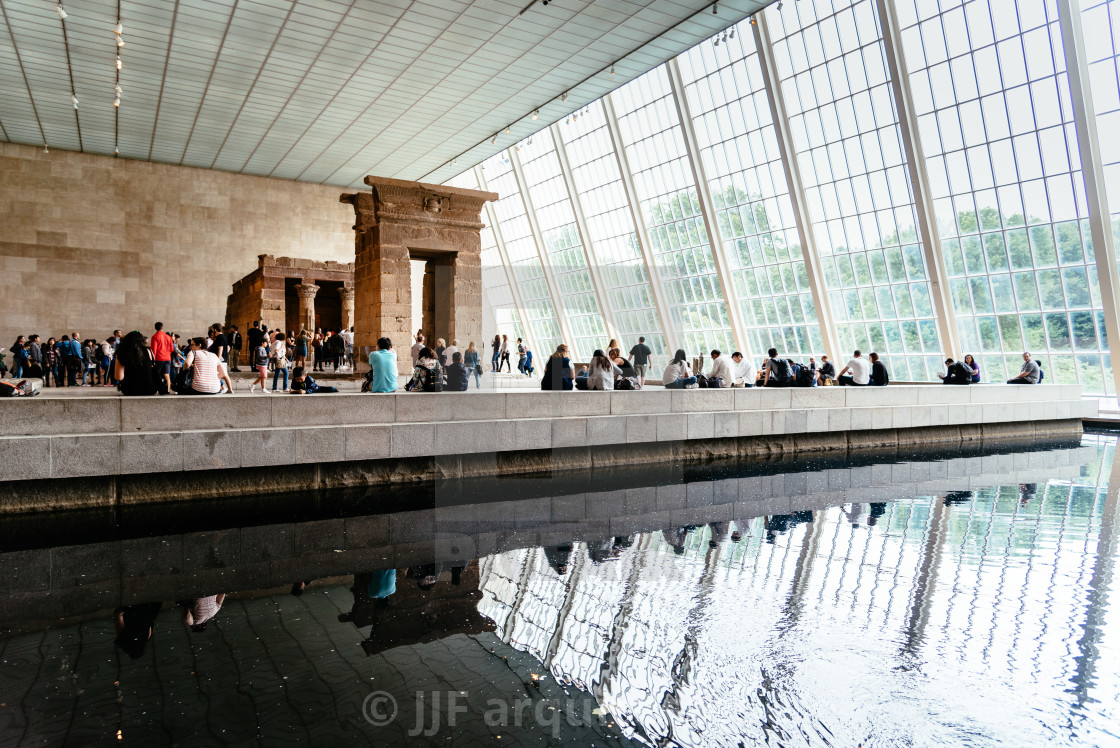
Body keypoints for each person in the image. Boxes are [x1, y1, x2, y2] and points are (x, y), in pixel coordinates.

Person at [113, 330, 158, 396]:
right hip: (150, 390)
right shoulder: (148, 351)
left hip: (129, 390)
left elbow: (119, 377)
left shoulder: (121, 352)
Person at [150, 322, 175, 394]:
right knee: (167, 374)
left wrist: (152, 360)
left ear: (155, 328)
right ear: (162, 327)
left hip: (158, 358)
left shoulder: (155, 337)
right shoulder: (168, 337)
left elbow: (153, 350)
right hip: (167, 358)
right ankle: (167, 390)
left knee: (156, 374)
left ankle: (155, 389)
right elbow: (172, 349)